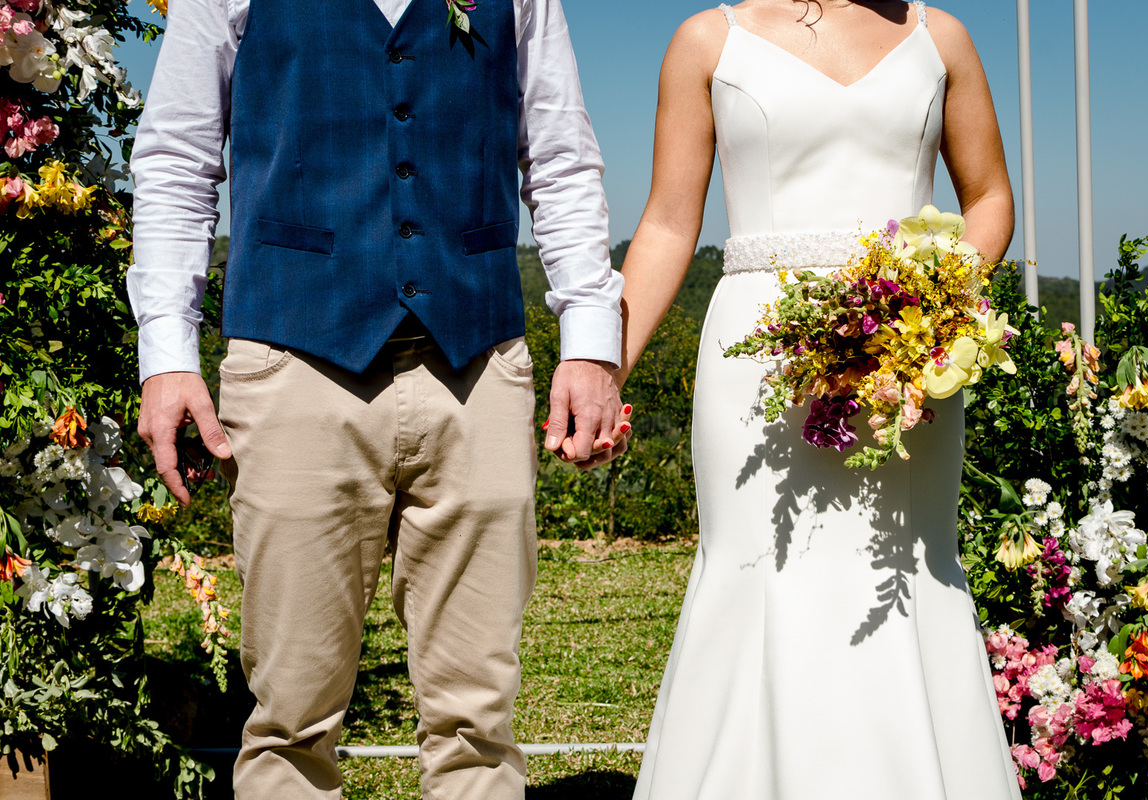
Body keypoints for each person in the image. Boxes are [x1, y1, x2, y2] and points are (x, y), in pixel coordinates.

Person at [128, 0, 630, 797]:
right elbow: (177, 157)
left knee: (479, 724)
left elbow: (561, 155)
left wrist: (593, 342)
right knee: (290, 717)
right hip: (294, 360)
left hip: (480, 365)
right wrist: (167, 356)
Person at [616, 1, 1021, 798]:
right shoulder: (707, 40)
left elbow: (990, 200)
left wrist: (931, 312)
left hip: (905, 362)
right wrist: (603, 367)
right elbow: (667, 222)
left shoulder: (940, 40)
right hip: (757, 366)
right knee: (756, 571)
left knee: (899, 572)